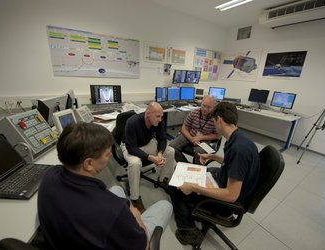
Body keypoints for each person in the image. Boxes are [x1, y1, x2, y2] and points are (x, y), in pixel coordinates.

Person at [38, 123, 172, 250]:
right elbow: (144, 246)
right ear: (88, 163)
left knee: (117, 189)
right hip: (124, 231)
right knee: (165, 206)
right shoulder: (113, 210)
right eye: (108, 154)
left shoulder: (49, 176)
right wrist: (136, 217)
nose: (109, 158)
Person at [168, 102, 260, 246]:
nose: (214, 126)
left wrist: (194, 188)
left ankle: (187, 229)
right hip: (223, 179)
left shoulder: (239, 149)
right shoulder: (239, 137)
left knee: (175, 186)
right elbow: (235, 165)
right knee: (195, 171)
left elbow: (231, 195)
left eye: (213, 122)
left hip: (227, 202)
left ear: (219, 120)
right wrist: (213, 157)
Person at [122, 102, 176, 213]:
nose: (160, 119)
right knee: (135, 163)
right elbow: (131, 148)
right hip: (130, 146)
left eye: (161, 116)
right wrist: (151, 158)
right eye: (157, 116)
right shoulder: (132, 122)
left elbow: (162, 139)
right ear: (148, 114)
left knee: (170, 151)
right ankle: (135, 198)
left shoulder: (158, 121)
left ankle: (163, 180)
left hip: (146, 144)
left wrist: (160, 153)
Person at [169, 95, 217, 164]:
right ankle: (186, 165)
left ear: (213, 107)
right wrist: (192, 139)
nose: (205, 109)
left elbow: (216, 135)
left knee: (199, 154)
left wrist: (201, 137)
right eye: (203, 105)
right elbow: (184, 128)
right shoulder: (194, 113)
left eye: (209, 107)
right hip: (190, 135)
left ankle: (196, 170)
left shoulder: (215, 118)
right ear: (201, 103)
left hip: (204, 140)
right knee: (172, 148)